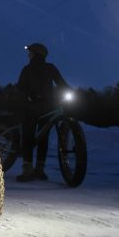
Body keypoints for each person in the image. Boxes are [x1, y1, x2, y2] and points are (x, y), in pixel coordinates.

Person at [16, 43, 70, 182]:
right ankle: (37, 169)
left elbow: (20, 88)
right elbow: (61, 83)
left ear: (37, 53)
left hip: (32, 107)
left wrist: (24, 99)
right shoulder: (49, 68)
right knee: (40, 137)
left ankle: (31, 169)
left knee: (32, 135)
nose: (29, 55)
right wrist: (72, 91)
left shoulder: (27, 69)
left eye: (31, 52)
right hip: (45, 107)